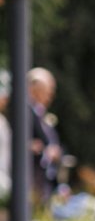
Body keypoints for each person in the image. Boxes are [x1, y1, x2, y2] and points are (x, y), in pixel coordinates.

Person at [28, 67, 64, 201]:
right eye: (48, 90)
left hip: (44, 181)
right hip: (31, 177)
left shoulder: (40, 113)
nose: (51, 95)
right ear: (35, 88)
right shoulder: (23, 111)